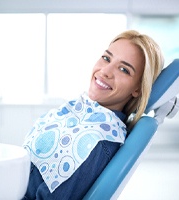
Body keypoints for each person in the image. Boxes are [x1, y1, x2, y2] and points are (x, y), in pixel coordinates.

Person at [22, 30, 164, 200]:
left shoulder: (96, 141)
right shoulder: (78, 110)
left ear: (138, 88)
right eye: (106, 58)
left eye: (124, 69)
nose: (105, 71)